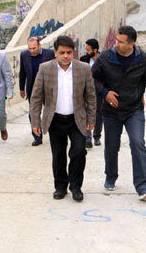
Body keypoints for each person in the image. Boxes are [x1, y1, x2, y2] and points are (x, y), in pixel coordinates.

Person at [91, 25, 146, 200]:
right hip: (111, 111)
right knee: (111, 146)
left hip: (133, 110)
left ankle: (143, 186)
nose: (116, 44)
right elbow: (92, 79)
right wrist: (105, 93)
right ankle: (110, 176)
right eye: (116, 40)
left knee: (138, 143)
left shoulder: (142, 59)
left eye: (121, 42)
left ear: (131, 43)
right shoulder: (105, 57)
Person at [30, 36, 97, 202]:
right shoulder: (45, 69)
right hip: (55, 120)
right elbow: (36, 97)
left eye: (69, 52)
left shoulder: (83, 69)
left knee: (79, 152)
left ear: (73, 52)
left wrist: (91, 118)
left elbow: (90, 96)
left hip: (77, 120)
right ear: (55, 53)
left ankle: (76, 187)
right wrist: (35, 121)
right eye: (62, 52)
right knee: (58, 155)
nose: (66, 56)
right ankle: (60, 187)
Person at [19, 37, 55, 146]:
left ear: (39, 45)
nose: (32, 50)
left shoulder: (50, 54)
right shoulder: (24, 55)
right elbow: (22, 72)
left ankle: (55, 135)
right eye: (30, 48)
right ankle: (37, 137)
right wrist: (21, 88)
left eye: (34, 48)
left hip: (48, 89)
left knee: (51, 113)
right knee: (33, 113)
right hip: (33, 89)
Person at [80, 38, 103, 148]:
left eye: (88, 50)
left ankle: (97, 136)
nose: (86, 52)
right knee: (86, 114)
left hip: (99, 92)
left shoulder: (104, 60)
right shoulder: (83, 59)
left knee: (98, 114)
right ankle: (87, 138)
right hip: (85, 91)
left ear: (95, 50)